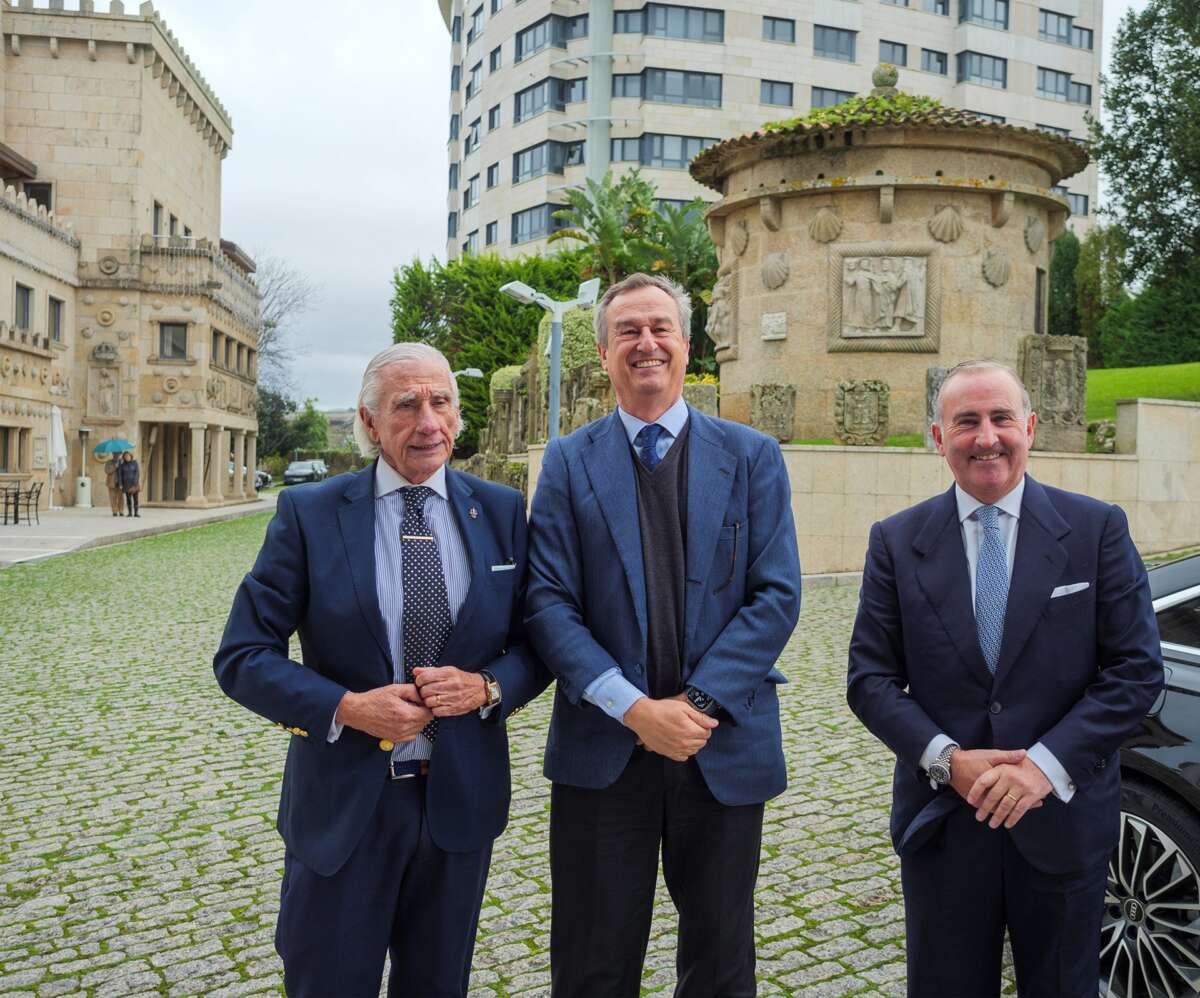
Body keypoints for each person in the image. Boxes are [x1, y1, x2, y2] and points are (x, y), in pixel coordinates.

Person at [213, 343, 549, 998]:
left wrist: (487, 686)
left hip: (458, 806)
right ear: (369, 423)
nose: (429, 421)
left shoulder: (502, 511)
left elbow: (537, 645)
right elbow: (243, 656)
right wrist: (347, 707)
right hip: (345, 809)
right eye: (407, 405)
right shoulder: (310, 515)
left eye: (442, 402)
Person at [846, 360, 1162, 998]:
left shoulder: (1097, 530)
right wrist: (948, 760)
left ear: (1030, 427)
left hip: (1061, 823)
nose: (986, 436)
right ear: (939, 437)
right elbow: (870, 679)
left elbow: (1135, 672)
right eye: (966, 421)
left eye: (1001, 419)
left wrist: (1042, 767)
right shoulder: (896, 541)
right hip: (945, 824)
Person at [526, 272, 802, 997]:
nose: (646, 343)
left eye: (660, 328)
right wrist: (635, 709)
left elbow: (775, 597)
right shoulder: (566, 462)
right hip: (604, 750)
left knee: (720, 963)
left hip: (720, 745)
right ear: (603, 351)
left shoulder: (751, 457)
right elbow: (548, 604)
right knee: (591, 962)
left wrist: (697, 706)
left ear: (687, 344)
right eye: (628, 331)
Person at [117, 451, 139, 517]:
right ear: (124, 457)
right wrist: (120, 484)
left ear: (131, 456)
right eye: (125, 456)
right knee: (128, 499)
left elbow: (137, 473)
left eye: (128, 456)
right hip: (126, 484)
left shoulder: (135, 463)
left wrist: (135, 481)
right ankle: (130, 513)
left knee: (136, 499)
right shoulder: (122, 465)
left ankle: (136, 513)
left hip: (134, 484)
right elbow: (120, 475)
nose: (127, 457)